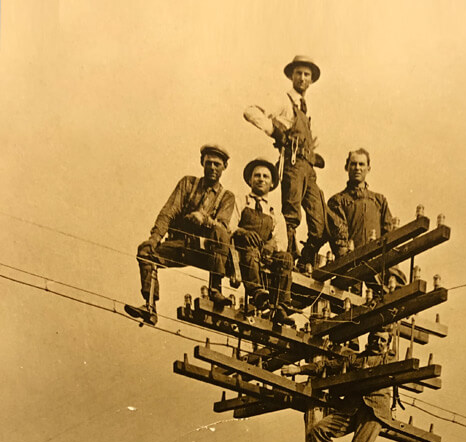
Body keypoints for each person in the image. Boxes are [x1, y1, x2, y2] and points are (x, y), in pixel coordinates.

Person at [124, 144, 235, 325]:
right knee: (145, 252)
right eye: (209, 163)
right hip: (182, 245)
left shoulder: (227, 197)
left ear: (224, 167)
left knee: (220, 232)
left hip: (207, 253)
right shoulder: (188, 184)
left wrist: (204, 219)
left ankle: (215, 289)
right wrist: (154, 239)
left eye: (217, 164)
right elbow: (169, 211)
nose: (212, 168)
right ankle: (150, 307)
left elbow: (222, 226)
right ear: (202, 163)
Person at [281, 328, 393, 442]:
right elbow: (326, 365)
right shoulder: (355, 359)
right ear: (368, 341)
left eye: (383, 341)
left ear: (387, 345)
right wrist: (299, 369)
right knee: (319, 430)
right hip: (352, 408)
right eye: (375, 339)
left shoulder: (388, 359)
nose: (378, 343)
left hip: (374, 411)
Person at [243, 55, 328, 271]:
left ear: (311, 80)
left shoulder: (307, 110)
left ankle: (305, 256)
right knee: (292, 215)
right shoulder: (283, 101)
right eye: (298, 73)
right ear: (292, 76)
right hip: (293, 164)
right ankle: (288, 259)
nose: (302, 78)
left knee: (319, 223)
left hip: (308, 168)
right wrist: (275, 132)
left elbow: (311, 140)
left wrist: (314, 156)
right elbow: (250, 111)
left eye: (306, 74)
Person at [232, 158, 295, 327]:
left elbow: (281, 240)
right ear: (250, 180)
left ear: (272, 182)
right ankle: (257, 293)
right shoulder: (240, 201)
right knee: (251, 252)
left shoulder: (274, 211)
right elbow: (230, 226)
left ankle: (281, 306)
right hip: (244, 249)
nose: (261, 179)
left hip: (266, 253)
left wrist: (272, 245)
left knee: (286, 258)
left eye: (265, 176)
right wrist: (242, 232)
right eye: (257, 175)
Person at [328, 148, 395, 258]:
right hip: (350, 265)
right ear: (347, 167)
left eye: (361, 164)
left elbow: (389, 235)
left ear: (368, 168)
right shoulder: (337, 201)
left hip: (377, 265)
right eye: (353, 164)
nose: (357, 168)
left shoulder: (380, 201)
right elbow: (339, 241)